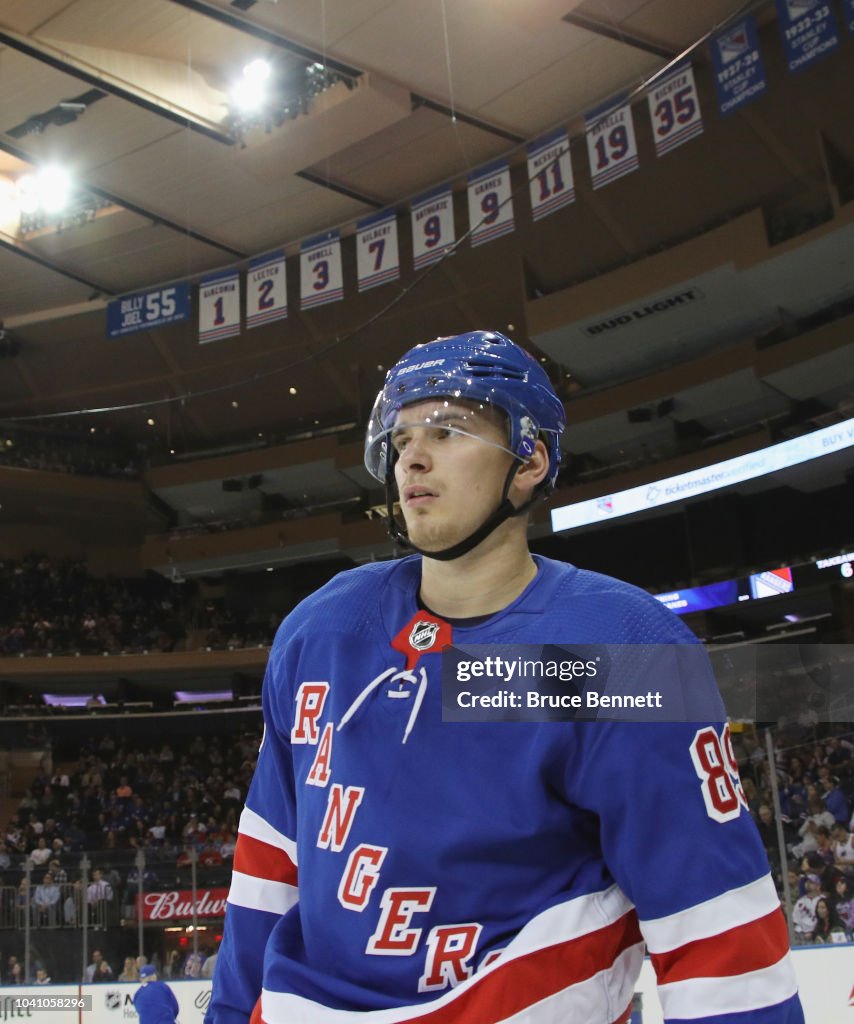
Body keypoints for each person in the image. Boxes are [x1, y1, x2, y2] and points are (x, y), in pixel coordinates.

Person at [206, 332, 804, 1023]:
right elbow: (266, 878)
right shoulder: (322, 632)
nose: (414, 458)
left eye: (449, 430)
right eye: (401, 440)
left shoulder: (618, 650)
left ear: (529, 460)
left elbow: (715, 935)